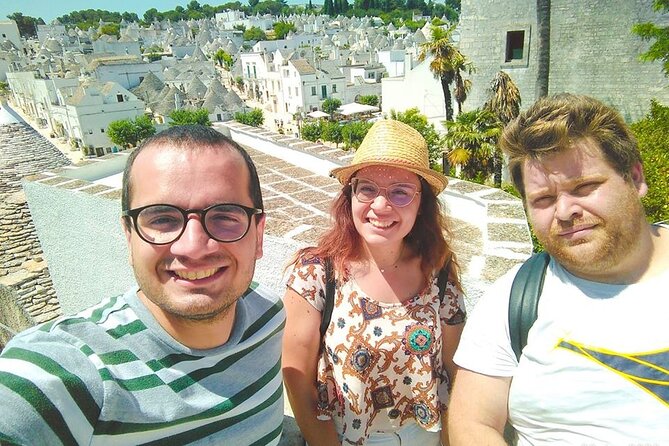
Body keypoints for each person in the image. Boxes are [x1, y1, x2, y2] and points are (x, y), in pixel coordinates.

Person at [0, 125, 285, 445]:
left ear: (258, 235)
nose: (192, 247)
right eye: (162, 219)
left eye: (225, 216)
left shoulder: (269, 316)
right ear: (129, 235)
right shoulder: (71, 370)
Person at [448, 94, 669, 444]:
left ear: (635, 177)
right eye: (544, 200)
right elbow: (473, 424)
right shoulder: (515, 299)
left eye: (584, 187)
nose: (565, 212)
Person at [282, 119, 467, 446]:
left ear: (421, 203)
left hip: (426, 436)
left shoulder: (438, 272)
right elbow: (296, 380)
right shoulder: (315, 272)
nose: (381, 206)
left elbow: (456, 372)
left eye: (400, 192)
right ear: (350, 195)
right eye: (367, 188)